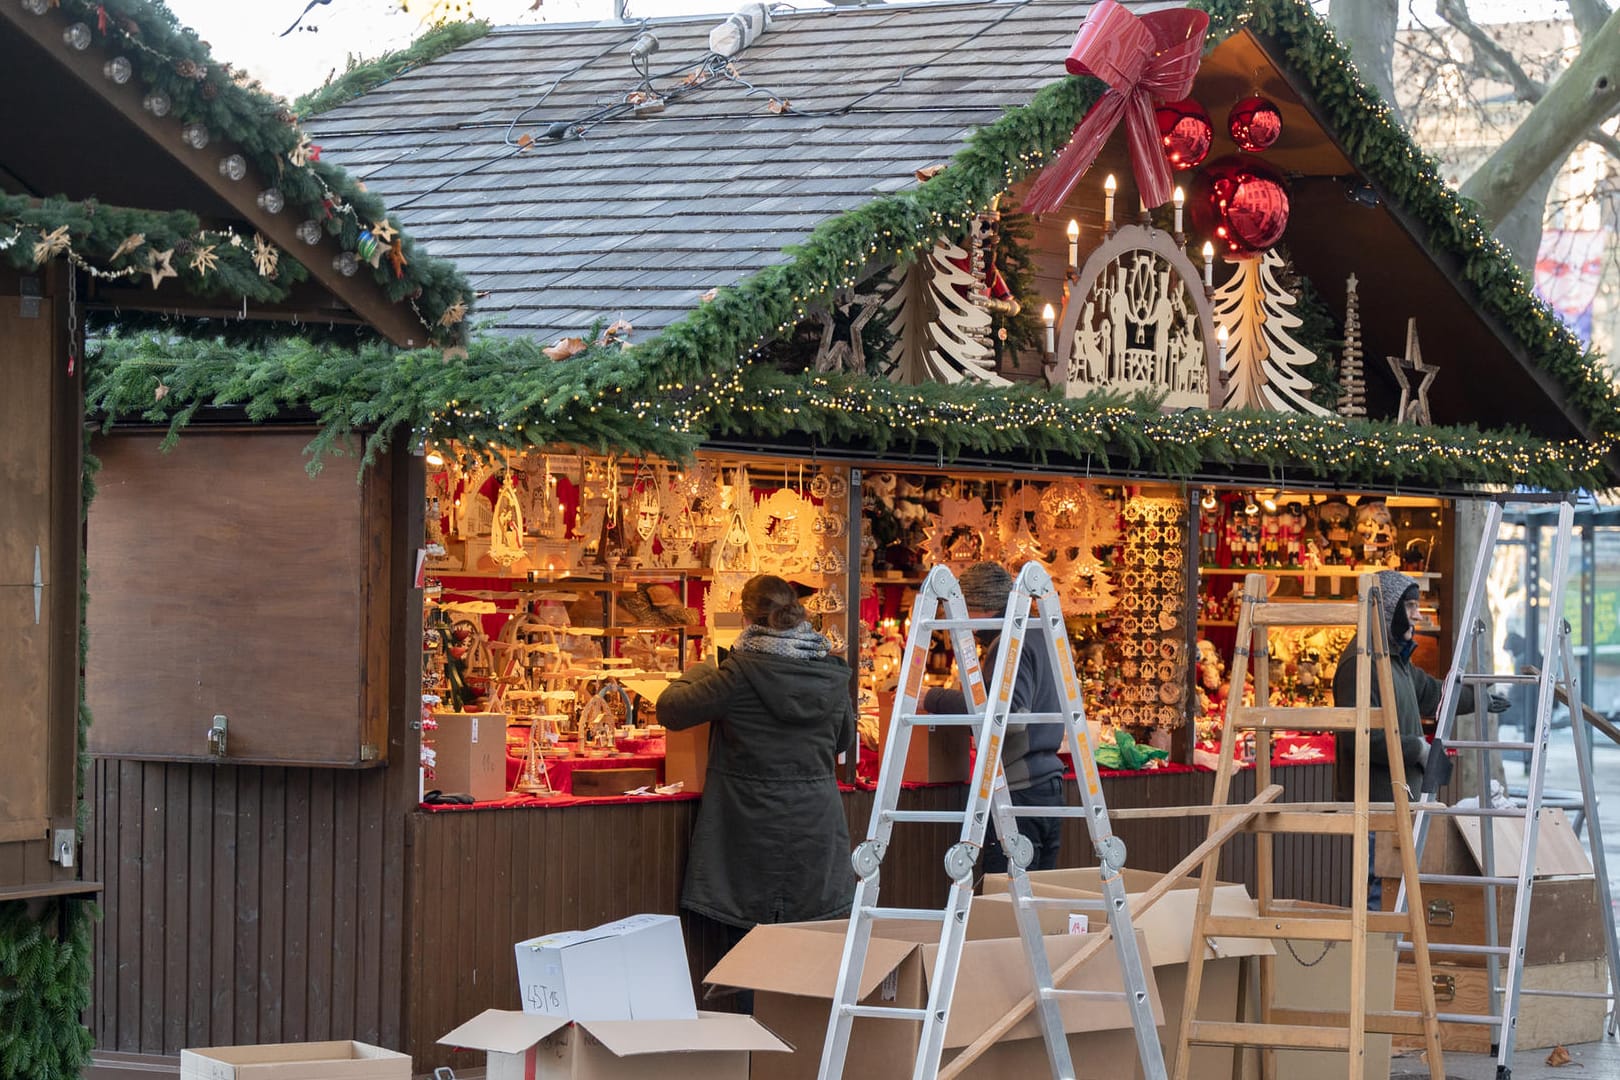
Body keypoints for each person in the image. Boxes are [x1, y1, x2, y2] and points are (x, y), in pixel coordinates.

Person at [658, 574, 856, 955]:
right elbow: (844, 740)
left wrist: (708, 665)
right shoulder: (831, 671)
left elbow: (671, 708)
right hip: (816, 826)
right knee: (808, 955)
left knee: (750, 956)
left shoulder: (737, 673)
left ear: (745, 619)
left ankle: (754, 1017)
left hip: (749, 826)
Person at [1332, 569, 1506, 907]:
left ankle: (1388, 959)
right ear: (1388, 609)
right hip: (1375, 805)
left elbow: (1432, 693)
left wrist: (1479, 698)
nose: (1417, 614)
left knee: (1394, 895)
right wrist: (1419, 749)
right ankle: (1374, 960)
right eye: (1410, 605)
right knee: (1377, 895)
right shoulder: (1359, 663)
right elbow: (1361, 738)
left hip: (1398, 801)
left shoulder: (1395, 661)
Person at [921, 562, 1067, 874]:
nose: (965, 625)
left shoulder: (1010, 643)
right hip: (1047, 785)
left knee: (1006, 899)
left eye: (965, 611)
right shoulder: (1041, 634)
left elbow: (1009, 716)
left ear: (980, 607)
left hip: (1018, 788)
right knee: (1039, 897)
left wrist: (932, 697)